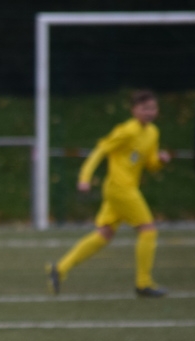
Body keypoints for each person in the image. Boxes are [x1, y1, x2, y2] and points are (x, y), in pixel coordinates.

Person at [47, 90, 171, 298]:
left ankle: (59, 269)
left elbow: (150, 163)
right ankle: (143, 283)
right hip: (120, 189)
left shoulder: (153, 132)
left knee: (104, 234)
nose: (149, 112)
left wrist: (160, 161)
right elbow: (100, 151)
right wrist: (85, 177)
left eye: (153, 108)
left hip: (124, 189)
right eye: (144, 108)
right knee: (148, 230)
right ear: (133, 110)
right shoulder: (126, 131)